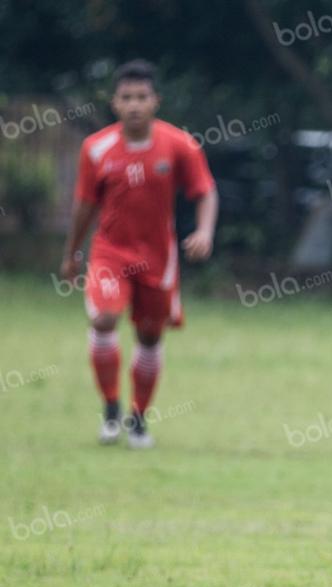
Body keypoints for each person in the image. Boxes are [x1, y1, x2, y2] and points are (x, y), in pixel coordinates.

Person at [60, 59, 218, 448]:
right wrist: (71, 254)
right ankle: (111, 409)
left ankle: (138, 419)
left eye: (141, 97)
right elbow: (84, 205)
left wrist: (205, 230)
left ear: (155, 101)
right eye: (126, 97)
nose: (134, 104)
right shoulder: (95, 149)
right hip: (110, 252)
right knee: (105, 318)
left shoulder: (179, 145)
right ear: (114, 102)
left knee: (149, 336)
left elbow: (205, 191)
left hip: (158, 258)